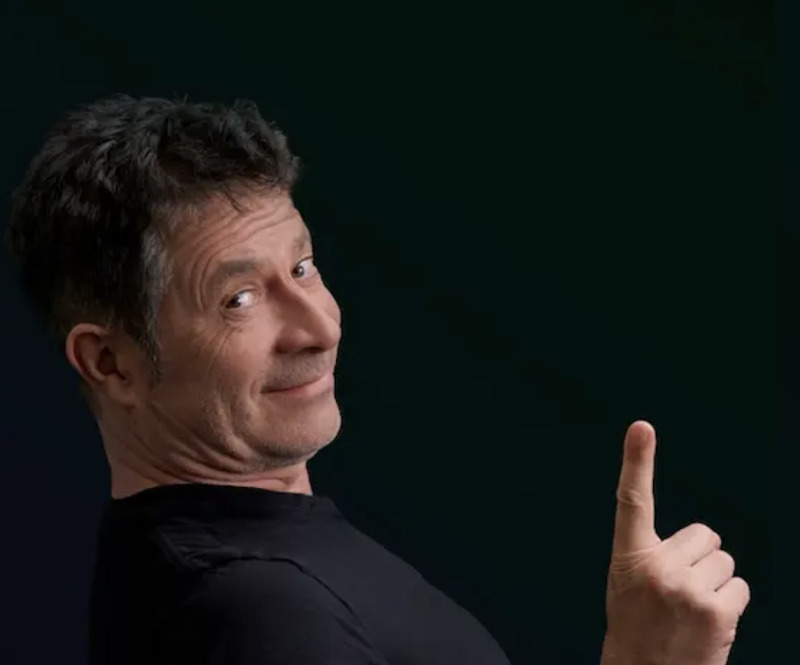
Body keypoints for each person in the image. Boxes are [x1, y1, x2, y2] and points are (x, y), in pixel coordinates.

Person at [4, 95, 751, 665]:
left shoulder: (247, 561)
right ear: (110, 363)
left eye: (302, 267)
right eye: (240, 299)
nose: (320, 326)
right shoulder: (259, 616)